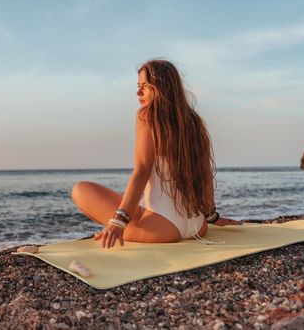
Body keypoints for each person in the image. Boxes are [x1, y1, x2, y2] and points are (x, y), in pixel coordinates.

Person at [71, 59, 242, 250]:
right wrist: (212, 217)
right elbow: (204, 173)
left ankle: (123, 229)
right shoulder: (194, 121)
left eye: (144, 86)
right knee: (126, 204)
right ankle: (129, 228)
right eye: (138, 86)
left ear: (161, 87)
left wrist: (118, 221)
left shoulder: (146, 115)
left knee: (81, 190)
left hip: (162, 228)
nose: (138, 92)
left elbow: (142, 171)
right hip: (197, 226)